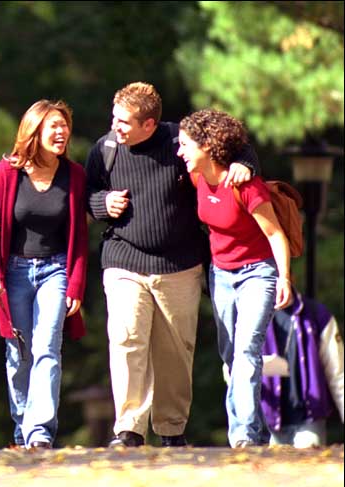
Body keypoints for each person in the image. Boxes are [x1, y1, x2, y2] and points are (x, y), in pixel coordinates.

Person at [85, 82, 260, 448]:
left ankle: (170, 428)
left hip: (179, 264)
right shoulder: (105, 150)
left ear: (150, 125)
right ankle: (129, 428)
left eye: (125, 122)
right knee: (126, 338)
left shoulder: (178, 141)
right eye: (114, 118)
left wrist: (245, 164)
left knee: (175, 350)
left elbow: (234, 144)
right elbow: (86, 195)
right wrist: (102, 204)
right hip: (124, 260)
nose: (115, 127)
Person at [178, 108, 292, 448]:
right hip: (222, 275)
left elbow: (275, 235)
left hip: (258, 273)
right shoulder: (198, 178)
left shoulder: (246, 185)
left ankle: (242, 436)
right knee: (231, 355)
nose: (179, 151)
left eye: (185, 145)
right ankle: (252, 431)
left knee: (246, 349)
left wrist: (284, 278)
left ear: (208, 147)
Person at [0, 99, 88, 450]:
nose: (61, 132)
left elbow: (80, 237)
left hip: (55, 270)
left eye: (64, 126)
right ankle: (22, 426)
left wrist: (75, 284)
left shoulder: (73, 175)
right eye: (53, 126)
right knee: (18, 354)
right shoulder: (7, 172)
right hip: (12, 273)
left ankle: (39, 432)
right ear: (34, 130)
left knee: (47, 349)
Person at [261, 284, 344, 448]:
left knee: (311, 470)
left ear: (290, 277)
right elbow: (231, 371)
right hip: (266, 422)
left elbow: (338, 373)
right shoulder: (252, 315)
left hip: (309, 419)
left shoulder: (318, 315)